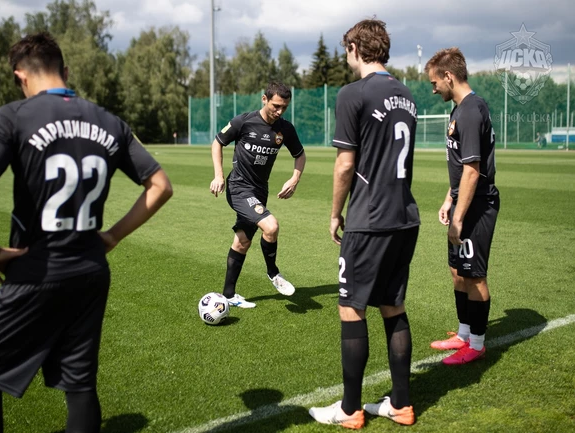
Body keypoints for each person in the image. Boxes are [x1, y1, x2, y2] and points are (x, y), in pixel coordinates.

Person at [0, 32, 173, 433]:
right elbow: (161, 186)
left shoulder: (14, 116)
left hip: (35, 270)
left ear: (20, 76)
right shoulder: (110, 121)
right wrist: (112, 236)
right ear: (66, 72)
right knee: (79, 385)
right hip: (90, 271)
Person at [308, 19, 419, 429]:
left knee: (351, 308)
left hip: (369, 219)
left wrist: (335, 213)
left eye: (346, 49)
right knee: (393, 306)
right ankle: (401, 404)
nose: (346, 56)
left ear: (355, 47)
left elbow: (345, 165)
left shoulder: (352, 93)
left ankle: (350, 409)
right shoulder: (407, 94)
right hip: (405, 217)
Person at [425, 47, 500, 365]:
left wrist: (458, 217)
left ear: (448, 76)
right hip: (463, 201)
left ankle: (477, 344)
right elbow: (459, 167)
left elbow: (472, 170)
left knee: (474, 276)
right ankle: (464, 334)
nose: (433, 89)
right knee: (458, 271)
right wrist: (449, 198)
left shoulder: (470, 110)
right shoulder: (459, 109)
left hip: (478, 204)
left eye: (434, 82)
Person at [210, 81, 306, 308]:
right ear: (264, 99)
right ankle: (273, 273)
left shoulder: (285, 129)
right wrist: (218, 175)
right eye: (275, 106)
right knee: (271, 227)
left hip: (260, 191)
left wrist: (294, 179)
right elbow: (217, 143)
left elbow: (300, 155)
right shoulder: (243, 122)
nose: (279, 111)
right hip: (238, 188)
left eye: (284, 107)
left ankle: (229, 295)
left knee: (242, 241)